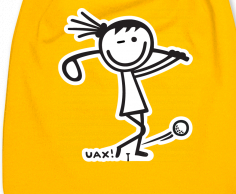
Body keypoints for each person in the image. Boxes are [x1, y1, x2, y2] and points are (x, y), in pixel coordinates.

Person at [59, 9, 192, 158]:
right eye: (121, 42)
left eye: (134, 40)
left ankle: (130, 149)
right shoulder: (127, 72)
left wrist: (171, 58)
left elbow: (148, 66)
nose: (130, 46)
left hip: (135, 101)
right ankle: (120, 149)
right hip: (132, 102)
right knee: (141, 129)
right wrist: (172, 59)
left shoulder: (130, 69)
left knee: (142, 128)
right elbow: (147, 69)